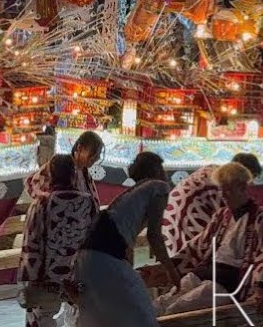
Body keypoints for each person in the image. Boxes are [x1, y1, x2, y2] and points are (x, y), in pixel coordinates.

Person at [156, 162, 263, 316]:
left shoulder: (262, 219)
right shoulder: (221, 216)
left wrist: (261, 288)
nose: (223, 194)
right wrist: (168, 266)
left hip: (231, 280)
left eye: (228, 189)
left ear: (242, 188)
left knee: (177, 309)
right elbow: (197, 246)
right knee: (162, 302)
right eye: (221, 189)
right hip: (207, 271)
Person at [73, 152, 180, 327]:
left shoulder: (132, 195)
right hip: (106, 256)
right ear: (156, 170)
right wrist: (171, 270)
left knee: (99, 319)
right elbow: (154, 235)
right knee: (142, 316)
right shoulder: (158, 187)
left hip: (86, 257)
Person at [19, 154, 98, 327]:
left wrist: (29, 279)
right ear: (73, 175)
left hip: (48, 278)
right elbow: (95, 240)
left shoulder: (41, 205)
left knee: (44, 316)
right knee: (80, 315)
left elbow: (31, 245)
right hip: (79, 274)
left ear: (51, 176)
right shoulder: (88, 203)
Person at [160, 152, 262, 259]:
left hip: (171, 230)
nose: (248, 185)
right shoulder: (223, 184)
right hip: (185, 235)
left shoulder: (213, 172)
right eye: (249, 179)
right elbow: (233, 224)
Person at [26, 131, 103, 204]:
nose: (97, 157)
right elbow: (33, 185)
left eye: (99, 154)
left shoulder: (85, 174)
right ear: (79, 148)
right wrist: (50, 199)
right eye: (94, 153)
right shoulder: (58, 165)